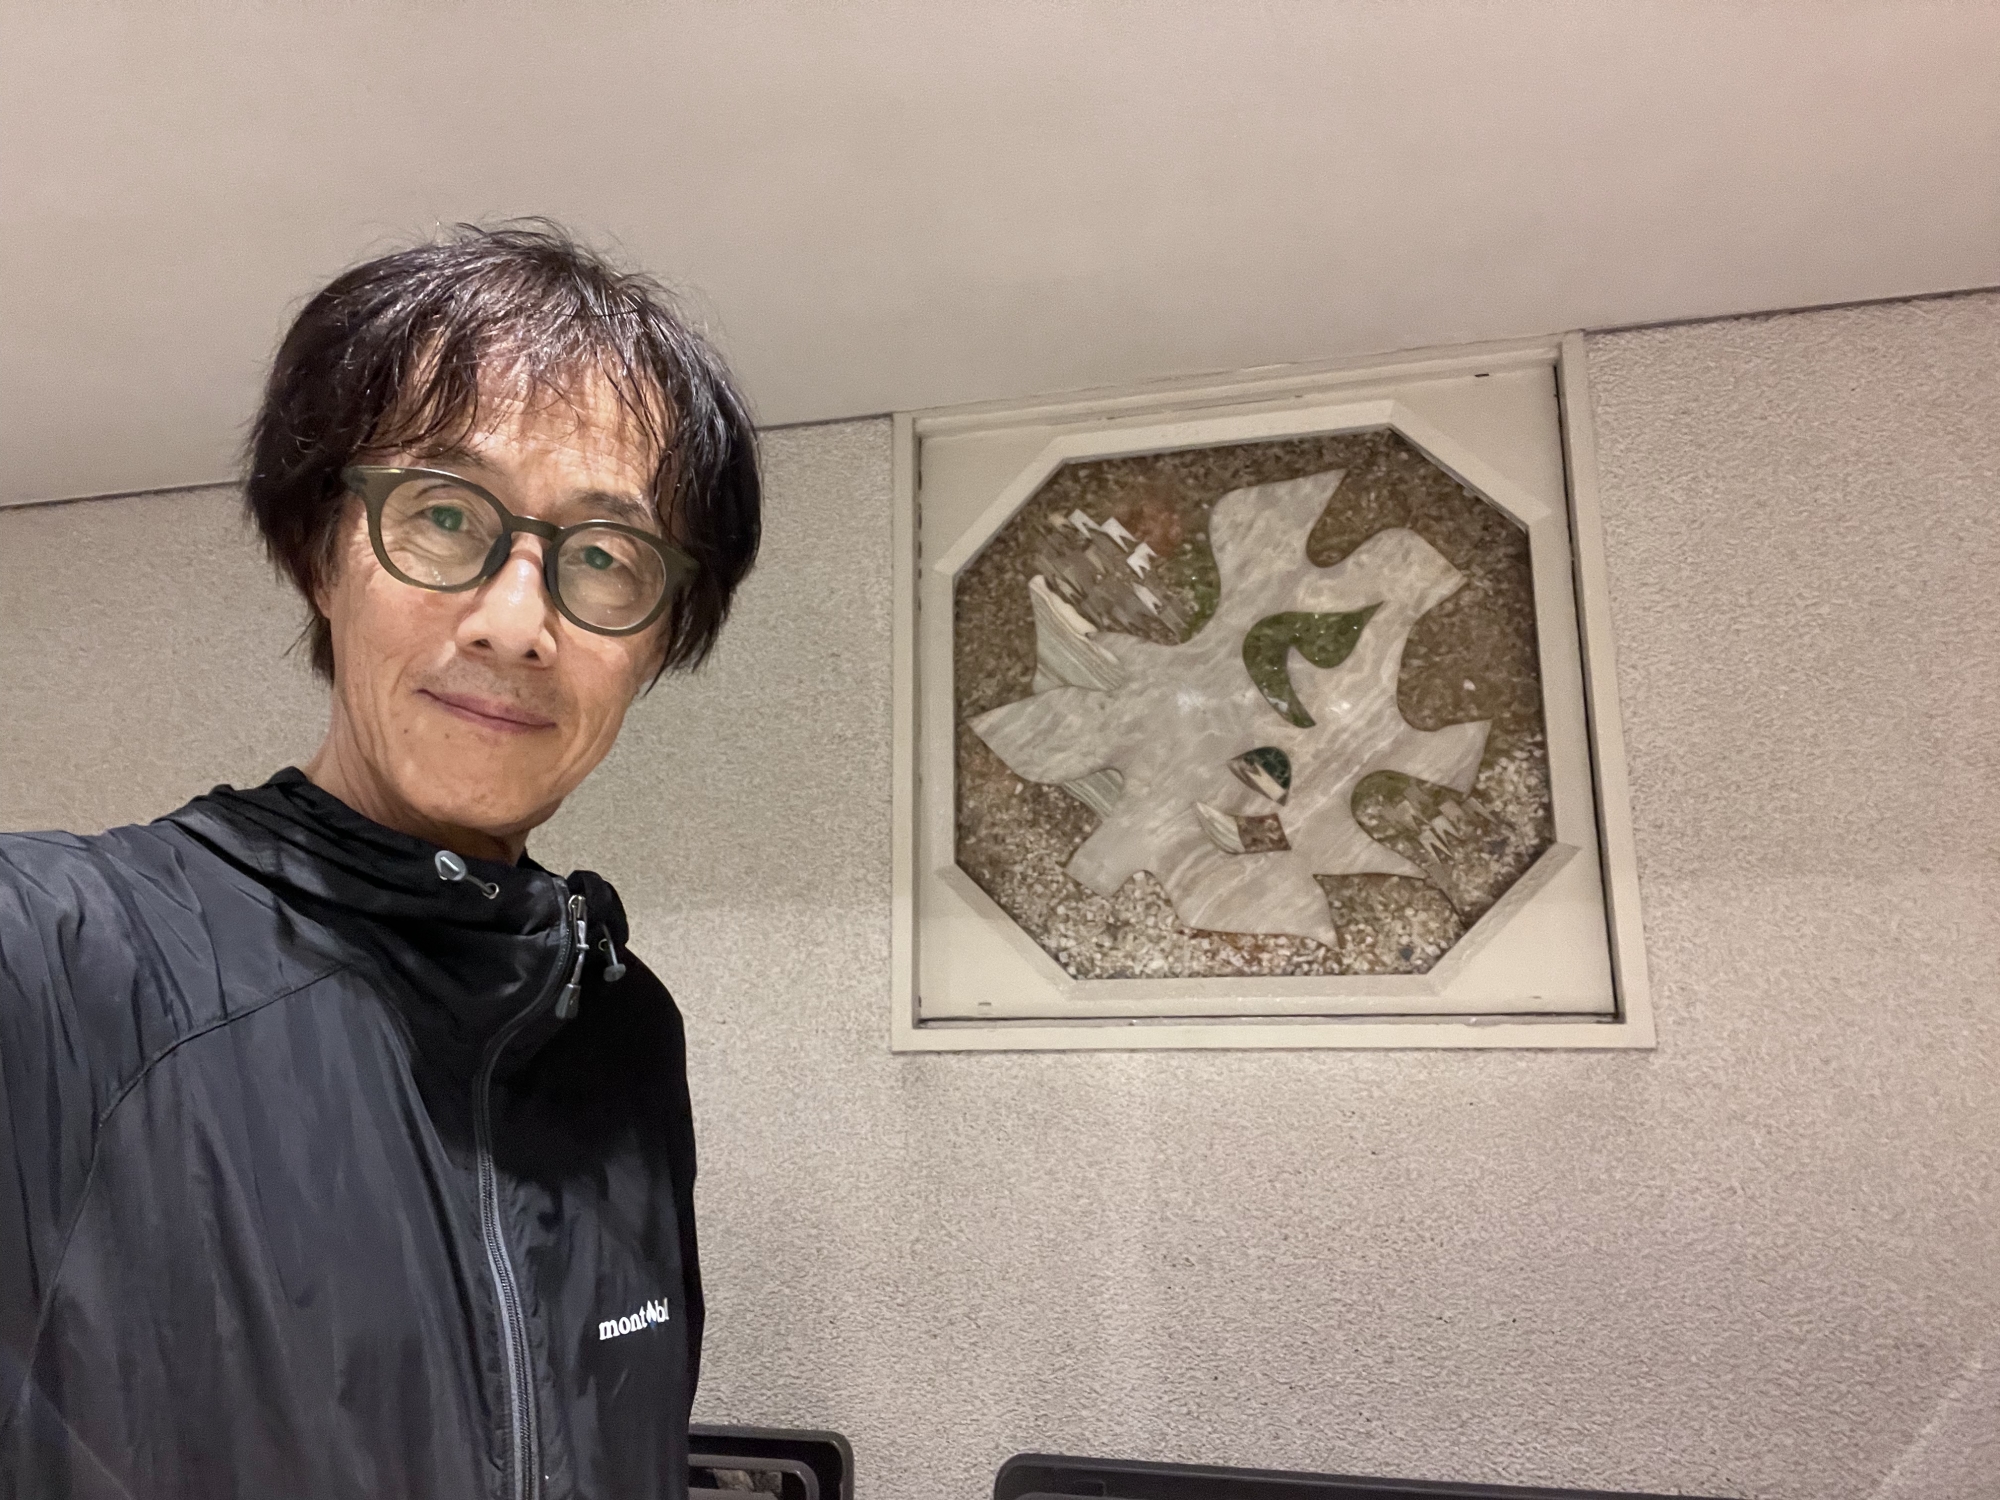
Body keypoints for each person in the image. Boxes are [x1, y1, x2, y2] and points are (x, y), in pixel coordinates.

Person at [0, 223, 760, 1500]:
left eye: (605, 557)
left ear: (661, 634)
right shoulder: (67, 964)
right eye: (446, 515)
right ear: (321, 553)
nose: (516, 622)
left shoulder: (622, 1030)